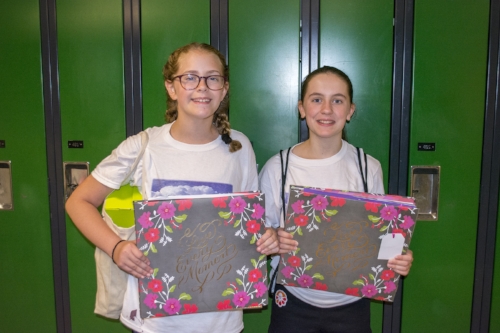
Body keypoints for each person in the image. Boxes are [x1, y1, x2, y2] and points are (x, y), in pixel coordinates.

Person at [66, 42, 279, 333]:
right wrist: (116, 248)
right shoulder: (144, 146)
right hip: (157, 321)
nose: (202, 87)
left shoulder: (239, 148)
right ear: (171, 88)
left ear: (224, 88)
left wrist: (265, 238)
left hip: (223, 320)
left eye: (212, 78)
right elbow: (78, 202)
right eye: (189, 77)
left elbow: (251, 224)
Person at [259, 66, 414, 333]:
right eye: (317, 99)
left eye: (337, 100)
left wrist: (399, 257)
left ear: (350, 111)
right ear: (302, 108)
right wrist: (273, 238)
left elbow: (383, 238)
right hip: (294, 302)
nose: (327, 109)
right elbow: (260, 237)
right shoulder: (278, 167)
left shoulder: (368, 168)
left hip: (352, 305)